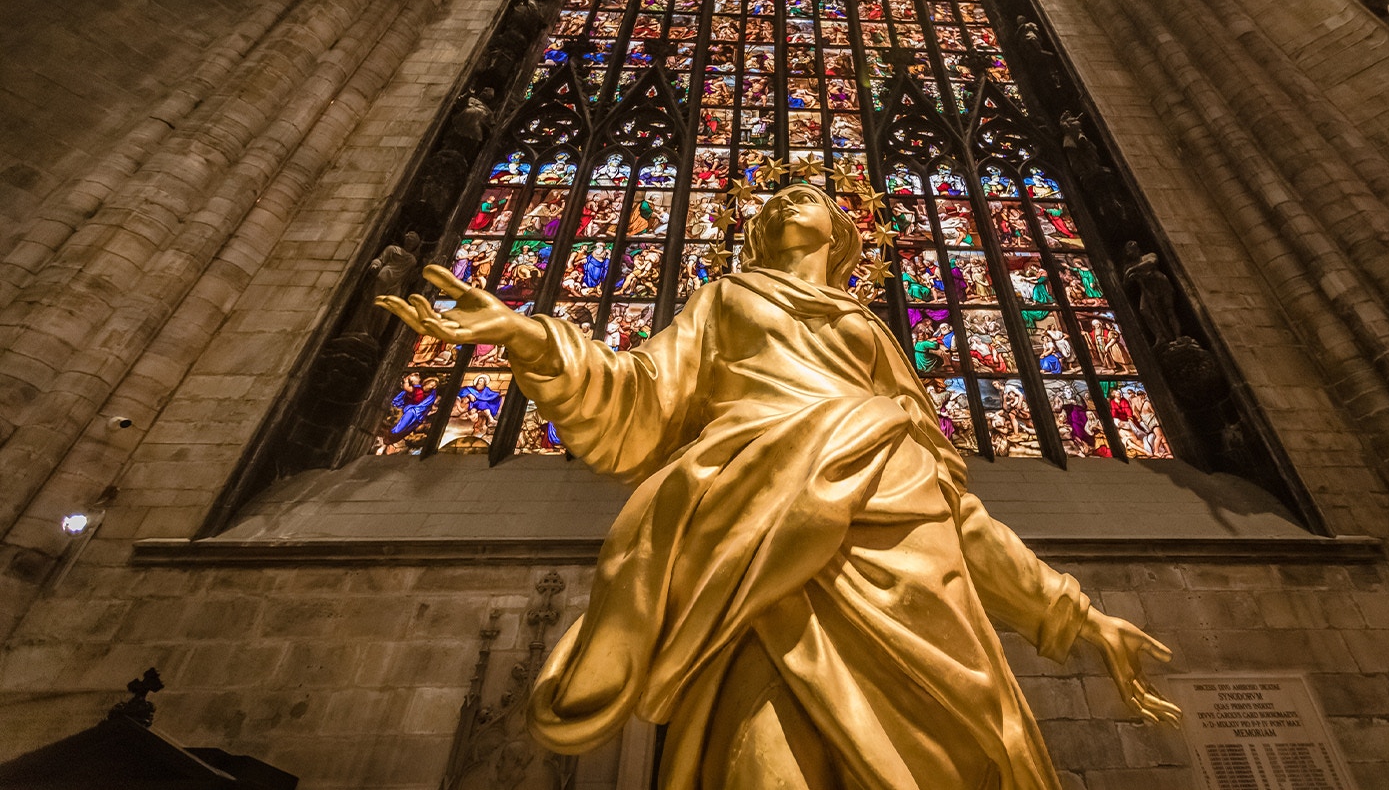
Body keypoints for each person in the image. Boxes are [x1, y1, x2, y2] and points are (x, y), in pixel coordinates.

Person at [378, 183, 1177, 789]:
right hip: (759, 553)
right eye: (781, 195)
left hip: (915, 582)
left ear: (844, 236)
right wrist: (527, 334)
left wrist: (1077, 613)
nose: (795, 196)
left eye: (816, 196)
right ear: (756, 231)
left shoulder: (872, 338)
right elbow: (636, 396)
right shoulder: (724, 300)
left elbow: (951, 505)